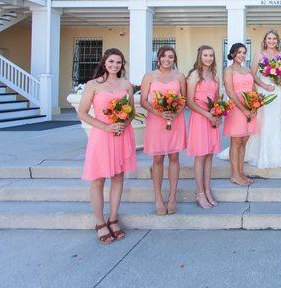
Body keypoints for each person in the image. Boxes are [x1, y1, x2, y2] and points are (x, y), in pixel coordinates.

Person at [79, 48, 136, 244]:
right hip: (102, 136)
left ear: (122, 65)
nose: (114, 65)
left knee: (119, 177)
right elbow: (83, 113)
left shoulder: (126, 85)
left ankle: (113, 218)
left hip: (121, 135)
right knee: (98, 179)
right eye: (111, 61)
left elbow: (132, 113)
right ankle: (100, 222)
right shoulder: (93, 85)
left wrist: (123, 124)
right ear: (104, 62)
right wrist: (106, 126)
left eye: (118, 62)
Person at [140, 46, 187, 215]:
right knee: (158, 159)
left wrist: (175, 112)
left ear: (175, 59)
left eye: (171, 57)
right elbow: (144, 101)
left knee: (174, 157)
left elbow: (183, 99)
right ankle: (158, 197)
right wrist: (159, 112)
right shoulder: (150, 76)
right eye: (164, 56)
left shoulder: (180, 76)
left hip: (175, 120)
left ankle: (173, 197)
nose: (167, 59)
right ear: (158, 58)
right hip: (156, 120)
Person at [245, 29, 281, 169]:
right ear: (265, 40)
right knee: (264, 122)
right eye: (269, 38)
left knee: (276, 122)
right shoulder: (259, 55)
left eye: (274, 38)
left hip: (277, 92)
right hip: (264, 91)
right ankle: (262, 155)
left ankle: (276, 157)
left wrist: (278, 78)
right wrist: (264, 85)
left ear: (277, 41)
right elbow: (252, 74)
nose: (271, 41)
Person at [186, 45, 221, 209]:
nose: (208, 58)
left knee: (209, 155)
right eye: (206, 55)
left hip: (212, 119)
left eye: (211, 55)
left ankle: (207, 190)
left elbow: (217, 99)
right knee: (200, 156)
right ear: (200, 56)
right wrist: (207, 115)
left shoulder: (214, 75)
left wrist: (217, 115)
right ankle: (199, 193)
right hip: (200, 118)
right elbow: (189, 101)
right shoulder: (194, 75)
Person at [223, 43, 257, 185]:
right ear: (232, 54)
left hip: (250, 108)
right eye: (239, 52)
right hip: (237, 109)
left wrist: (255, 107)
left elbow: (254, 89)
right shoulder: (228, 70)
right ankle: (235, 175)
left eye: (244, 52)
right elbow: (230, 92)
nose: (242, 55)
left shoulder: (248, 70)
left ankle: (241, 172)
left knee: (244, 142)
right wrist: (244, 110)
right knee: (236, 142)